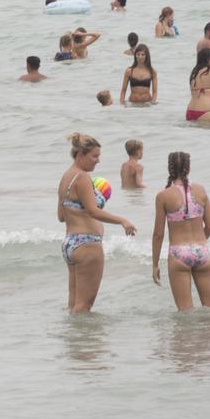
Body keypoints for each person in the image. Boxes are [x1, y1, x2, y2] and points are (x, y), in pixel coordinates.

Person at [57, 133, 136, 313]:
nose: (98, 161)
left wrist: (79, 208)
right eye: (94, 156)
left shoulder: (65, 177)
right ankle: (86, 341)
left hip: (70, 243)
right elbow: (93, 211)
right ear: (80, 155)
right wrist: (122, 220)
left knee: (74, 305)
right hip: (87, 244)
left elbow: (61, 216)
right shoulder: (83, 177)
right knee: (84, 307)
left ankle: (74, 340)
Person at [150, 151, 210, 311]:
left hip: (179, 254)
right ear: (188, 168)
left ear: (169, 168)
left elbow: (158, 234)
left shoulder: (163, 196)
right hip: (202, 251)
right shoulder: (201, 190)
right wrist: (200, 242)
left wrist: (155, 264)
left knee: (185, 313)